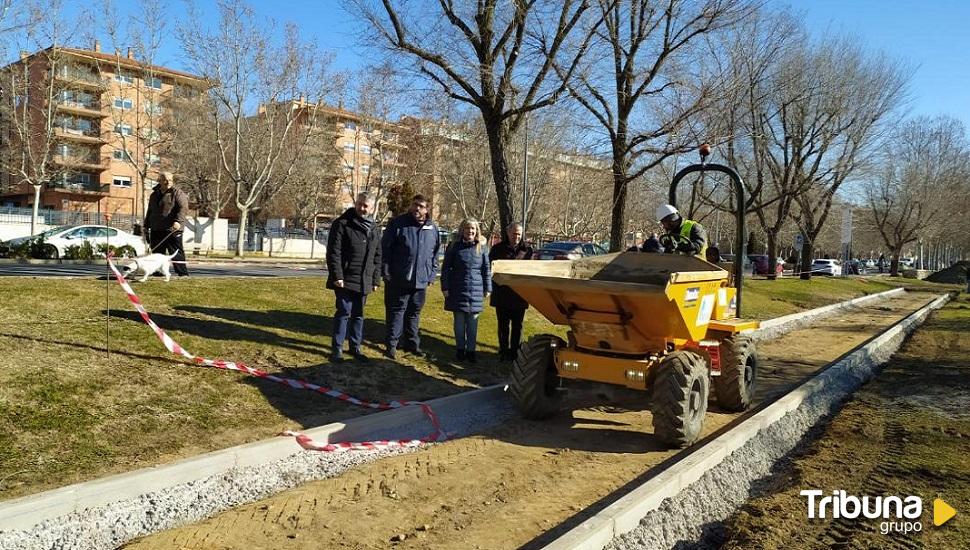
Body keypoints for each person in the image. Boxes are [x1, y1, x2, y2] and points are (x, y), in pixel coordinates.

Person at [381, 194, 441, 359]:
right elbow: (385, 250)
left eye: (421, 206)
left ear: (427, 209)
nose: (417, 208)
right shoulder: (398, 224)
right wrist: (386, 272)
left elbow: (434, 254)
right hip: (398, 279)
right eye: (414, 205)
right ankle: (392, 345)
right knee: (397, 312)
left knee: (414, 312)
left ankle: (412, 344)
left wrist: (431, 274)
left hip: (420, 281)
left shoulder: (432, 228)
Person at [326, 192, 381, 363]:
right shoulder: (342, 223)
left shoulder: (375, 228)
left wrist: (375, 279)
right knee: (343, 312)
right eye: (359, 204)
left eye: (365, 206)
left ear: (371, 208)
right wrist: (337, 275)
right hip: (345, 279)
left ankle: (355, 347)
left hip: (364, 279)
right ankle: (337, 349)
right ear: (355, 204)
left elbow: (378, 256)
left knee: (358, 315)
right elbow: (334, 252)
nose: (362, 208)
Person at [442, 219, 491, 363]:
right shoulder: (454, 247)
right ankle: (460, 350)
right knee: (459, 323)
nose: (470, 231)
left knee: (472, 324)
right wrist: (445, 287)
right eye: (467, 228)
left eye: (473, 229)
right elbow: (445, 269)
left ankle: (471, 351)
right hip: (458, 289)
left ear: (477, 231)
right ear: (462, 230)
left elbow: (486, 270)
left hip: (475, 290)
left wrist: (488, 287)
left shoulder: (482, 249)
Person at [488, 222, 533, 362]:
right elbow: (491, 269)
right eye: (514, 234)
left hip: (520, 295)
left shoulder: (527, 250)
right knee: (503, 325)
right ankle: (503, 351)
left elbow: (531, 271)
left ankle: (515, 352)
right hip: (502, 293)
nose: (517, 237)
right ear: (508, 233)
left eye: (519, 234)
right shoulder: (497, 249)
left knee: (517, 326)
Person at [144, 171, 189, 277]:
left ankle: (182, 274)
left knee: (176, 252)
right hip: (156, 228)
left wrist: (178, 221)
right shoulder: (154, 195)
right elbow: (150, 211)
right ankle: (157, 272)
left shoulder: (177, 193)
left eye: (170, 179)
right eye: (165, 179)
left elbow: (183, 208)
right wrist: (146, 225)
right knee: (156, 252)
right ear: (159, 181)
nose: (169, 182)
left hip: (172, 229)